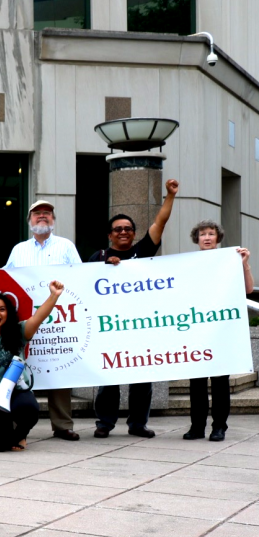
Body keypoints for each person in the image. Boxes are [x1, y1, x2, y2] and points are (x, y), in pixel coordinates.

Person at [0, 199, 82, 442]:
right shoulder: (19, 249)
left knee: (59, 367)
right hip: (27, 320)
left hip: (59, 318)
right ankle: (18, 422)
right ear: (30, 220)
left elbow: (81, 276)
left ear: (53, 219)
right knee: (19, 369)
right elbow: (5, 277)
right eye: (37, 213)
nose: (42, 217)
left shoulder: (65, 246)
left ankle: (62, 425)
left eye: (47, 213)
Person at [91, 179, 179, 440]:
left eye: (128, 228)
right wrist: (107, 266)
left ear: (133, 233)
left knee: (142, 378)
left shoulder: (144, 250)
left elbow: (160, 223)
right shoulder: (97, 258)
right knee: (109, 378)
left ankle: (138, 424)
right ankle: (104, 423)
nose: (123, 232)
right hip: (110, 328)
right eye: (118, 229)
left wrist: (170, 195)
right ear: (110, 234)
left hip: (141, 328)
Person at [0, 282, 65, 452]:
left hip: (16, 392)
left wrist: (54, 295)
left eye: (2, 309)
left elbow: (38, 317)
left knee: (28, 408)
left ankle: (20, 435)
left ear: (8, 313)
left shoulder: (18, 331)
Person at [183, 220, 252, 442]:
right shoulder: (187, 263)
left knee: (220, 382)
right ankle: (197, 427)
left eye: (211, 233)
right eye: (202, 234)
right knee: (197, 384)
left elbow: (248, 289)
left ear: (217, 238)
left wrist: (244, 263)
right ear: (197, 239)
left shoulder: (229, 260)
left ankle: (219, 427)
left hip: (221, 331)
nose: (206, 237)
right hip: (196, 330)